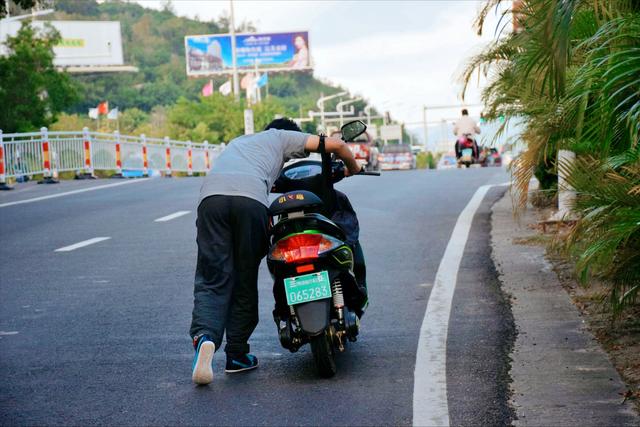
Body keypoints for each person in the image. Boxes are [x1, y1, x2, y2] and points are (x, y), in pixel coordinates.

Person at [190, 118, 361, 385]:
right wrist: (354, 167)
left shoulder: (240, 142)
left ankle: (205, 337)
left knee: (213, 279)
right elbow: (336, 145)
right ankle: (236, 355)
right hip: (250, 203)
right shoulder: (281, 137)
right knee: (244, 279)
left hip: (211, 201)